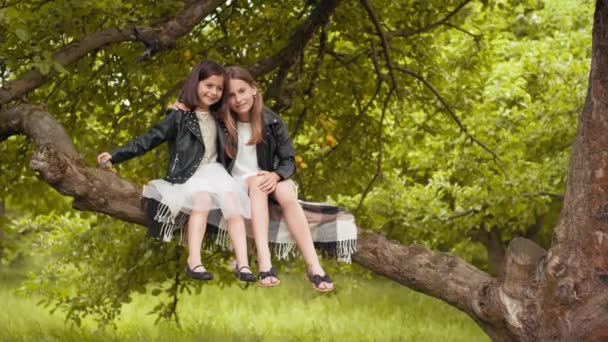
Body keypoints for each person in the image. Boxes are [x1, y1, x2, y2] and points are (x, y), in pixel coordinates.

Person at [97, 60, 256, 283]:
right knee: (200, 201)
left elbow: (250, 110)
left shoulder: (222, 118)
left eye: (220, 89)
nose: (214, 92)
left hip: (217, 175)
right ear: (195, 84)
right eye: (209, 85)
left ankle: (243, 263)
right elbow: (149, 139)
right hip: (189, 175)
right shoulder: (179, 117)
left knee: (233, 204)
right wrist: (116, 154)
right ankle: (194, 261)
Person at [224, 66, 336, 292]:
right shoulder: (221, 122)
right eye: (231, 95)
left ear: (254, 89)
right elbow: (194, 113)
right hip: (237, 182)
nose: (238, 99)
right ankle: (265, 262)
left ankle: (314, 266)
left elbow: (288, 161)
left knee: (285, 192)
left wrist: (276, 175)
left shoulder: (272, 121)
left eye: (242, 91)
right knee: (257, 183)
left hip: (267, 177)